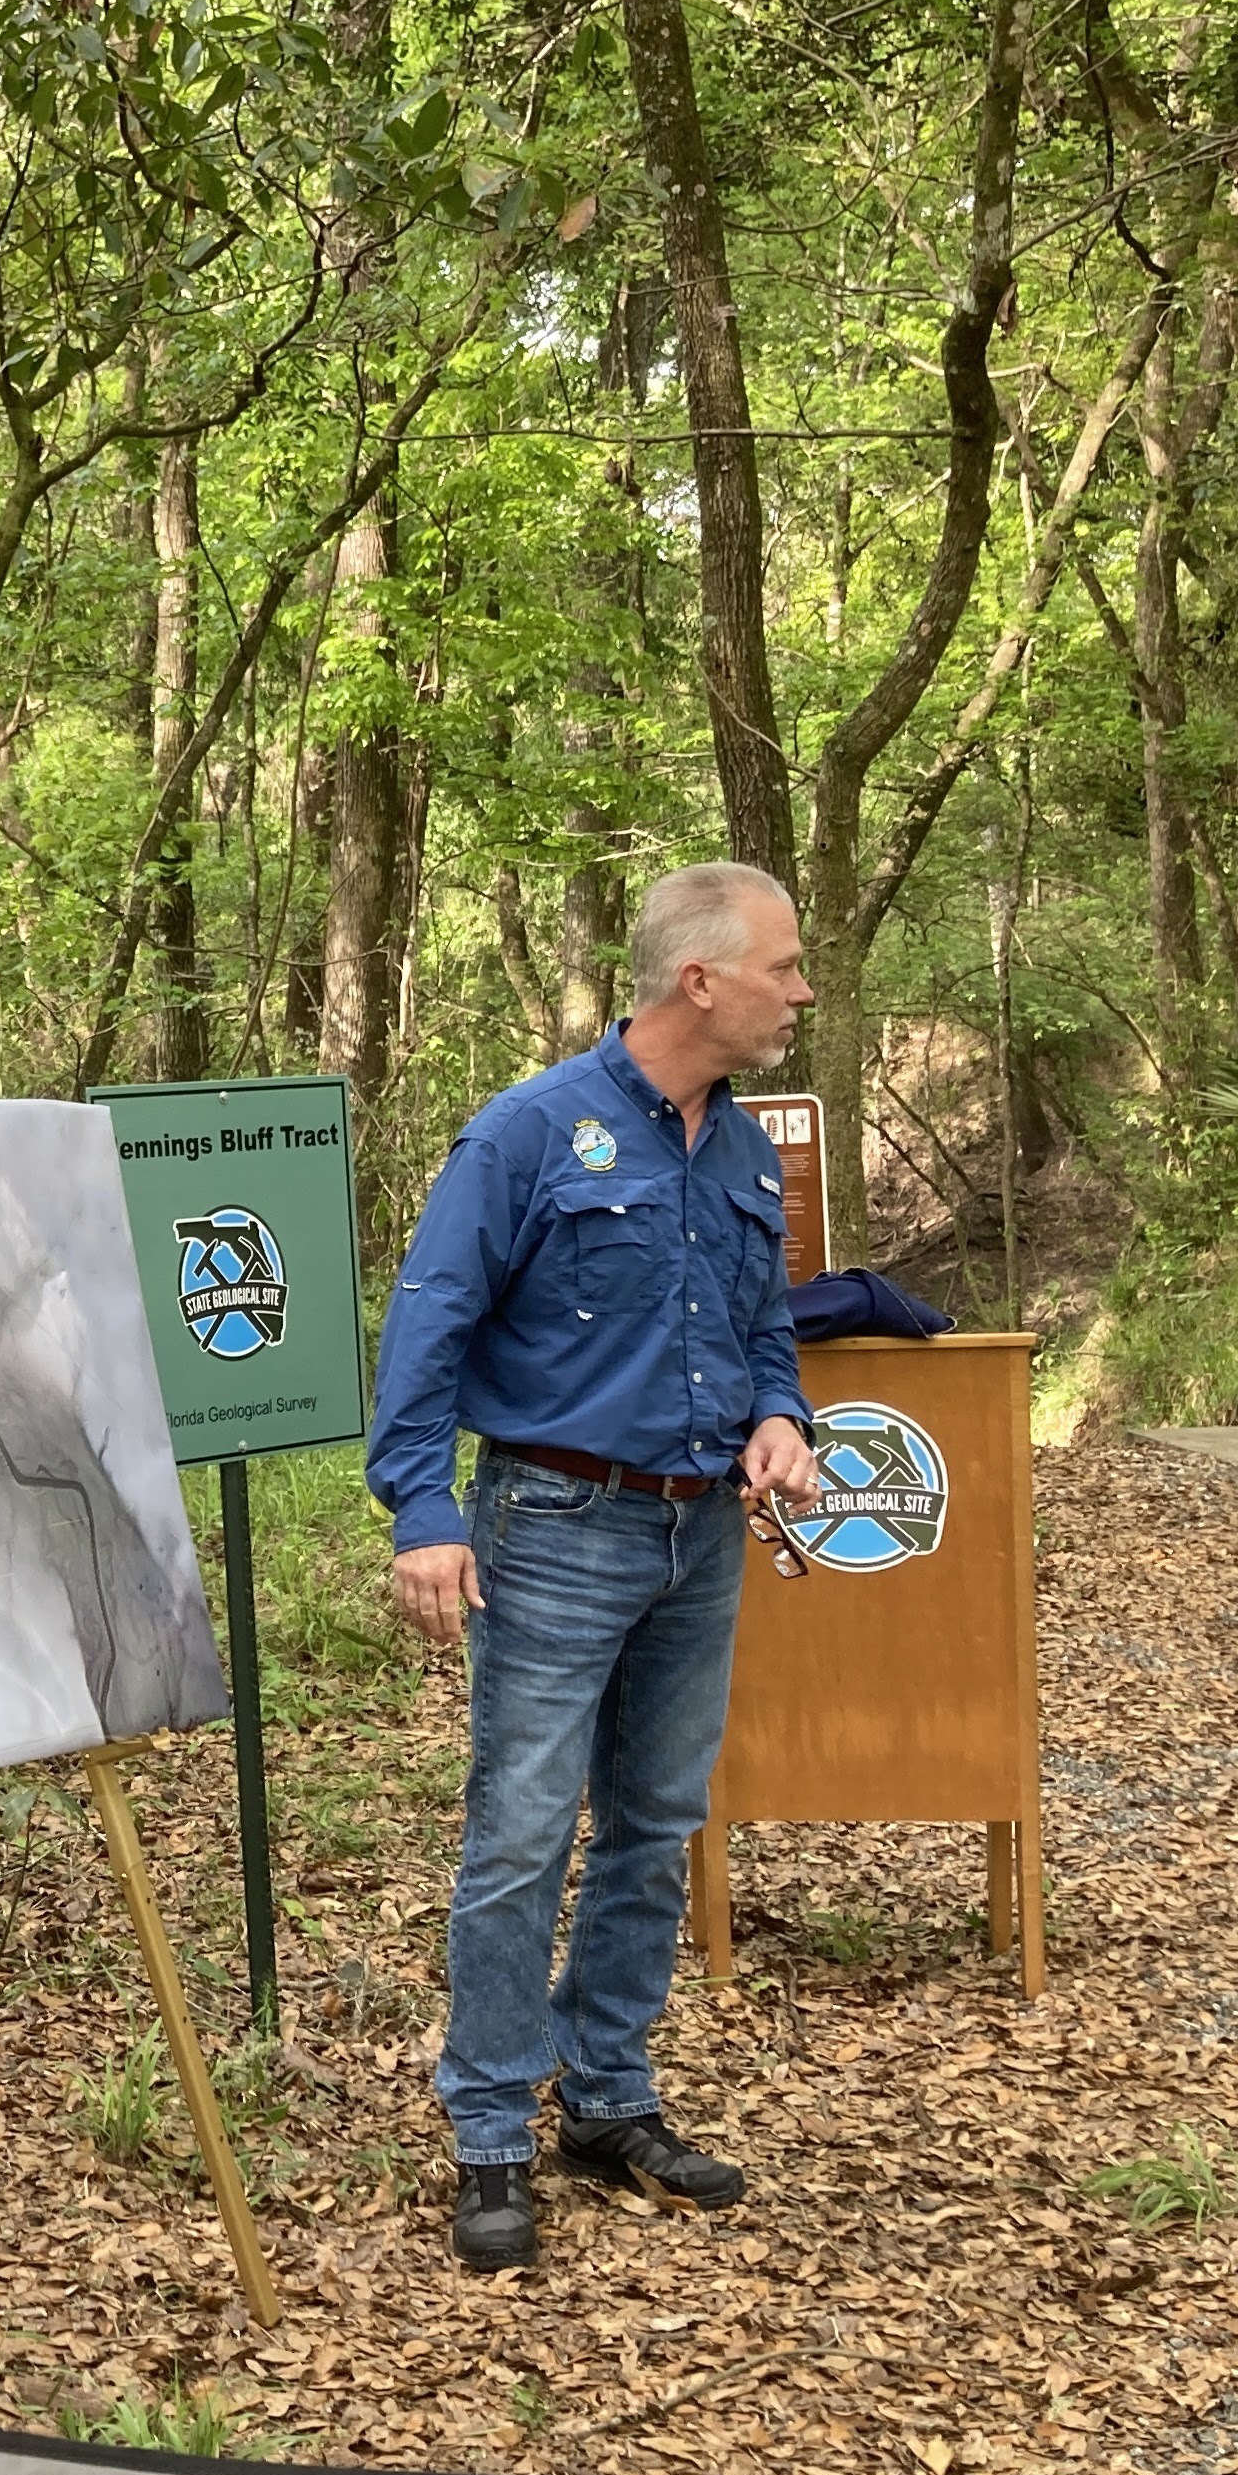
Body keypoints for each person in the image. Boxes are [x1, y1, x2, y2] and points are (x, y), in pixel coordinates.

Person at [365, 860, 825, 2275]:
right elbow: (430, 1319)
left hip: (698, 1540)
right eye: (786, 967)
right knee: (520, 1832)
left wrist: (778, 1417)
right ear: (702, 981)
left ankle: (608, 2099)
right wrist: (421, 1510)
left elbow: (762, 1330)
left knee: (655, 1821)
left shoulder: (744, 1152)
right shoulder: (529, 1134)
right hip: (554, 1530)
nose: (803, 991)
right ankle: (492, 2129)